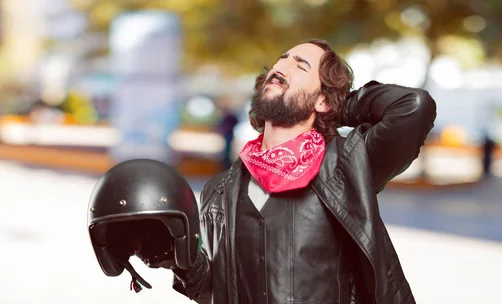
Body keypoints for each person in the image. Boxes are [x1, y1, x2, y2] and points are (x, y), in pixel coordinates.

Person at [169, 39, 437, 304]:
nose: (280, 68)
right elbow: (207, 289)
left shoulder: (347, 163)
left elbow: (413, 106)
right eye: (281, 59)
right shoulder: (219, 189)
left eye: (301, 66)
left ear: (322, 100)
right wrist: (173, 253)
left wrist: (337, 103)